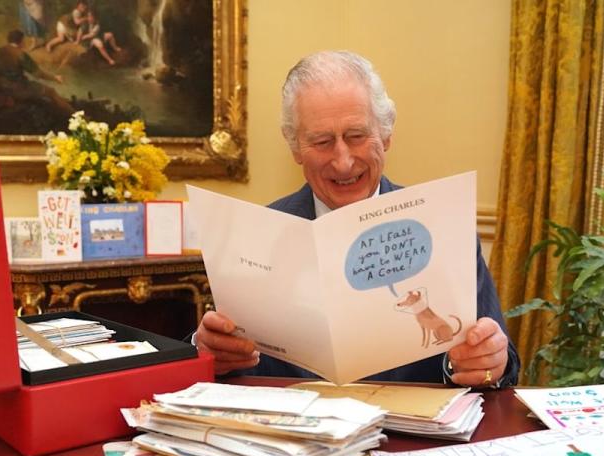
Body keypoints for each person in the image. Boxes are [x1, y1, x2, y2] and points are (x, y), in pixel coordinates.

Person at [194, 50, 521, 388]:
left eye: (357, 136)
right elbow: (229, 361)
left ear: (386, 134)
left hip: (411, 436)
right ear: (295, 148)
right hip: (296, 433)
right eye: (322, 142)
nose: (343, 161)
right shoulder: (258, 234)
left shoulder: (442, 225)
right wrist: (211, 354)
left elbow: (502, 364)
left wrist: (487, 362)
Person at [0, 29, 73, 118]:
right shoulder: (20, 54)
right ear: (21, 41)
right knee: (51, 92)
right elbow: (38, 74)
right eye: (24, 40)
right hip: (18, 89)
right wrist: (55, 78)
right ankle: (76, 116)